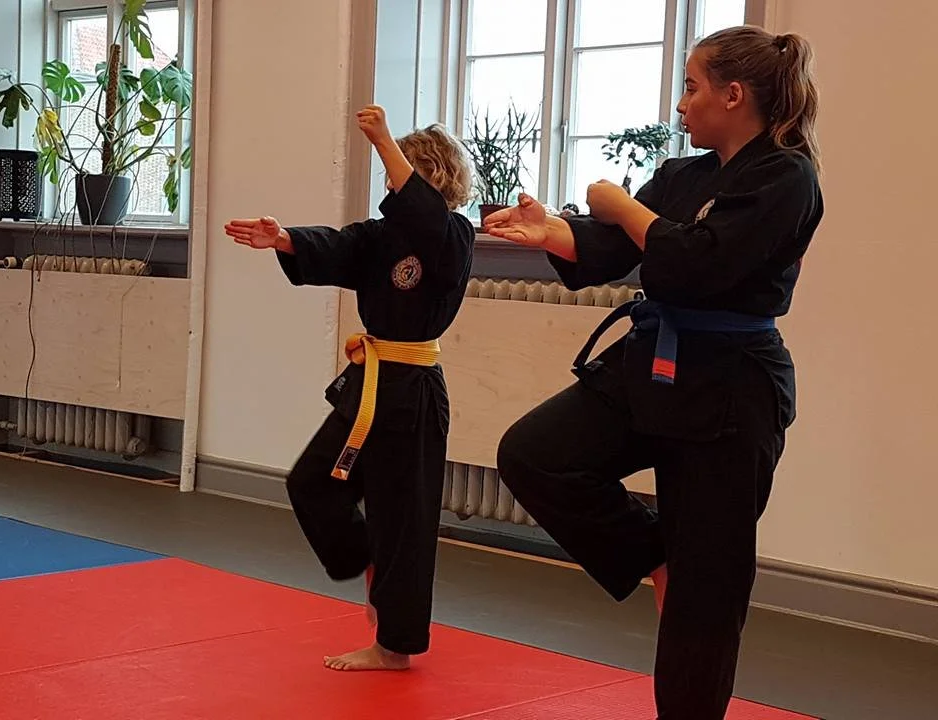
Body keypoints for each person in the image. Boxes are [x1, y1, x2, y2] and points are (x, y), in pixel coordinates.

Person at [485, 26, 824, 720]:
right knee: (533, 455)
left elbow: (696, 260)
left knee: (707, 598)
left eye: (692, 88)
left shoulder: (786, 176)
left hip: (733, 387)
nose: (679, 106)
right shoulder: (682, 174)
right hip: (653, 365)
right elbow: (613, 248)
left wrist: (619, 202)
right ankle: (656, 556)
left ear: (733, 95)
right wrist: (553, 229)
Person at [224, 106, 475, 672]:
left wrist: (385, 140)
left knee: (402, 519)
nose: (390, 181)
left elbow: (427, 221)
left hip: (412, 390)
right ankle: (368, 561)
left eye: (400, 170)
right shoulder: (384, 237)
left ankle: (394, 647)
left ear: (428, 176)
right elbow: (337, 246)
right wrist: (284, 239)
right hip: (370, 384)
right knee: (312, 481)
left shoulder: (452, 235)